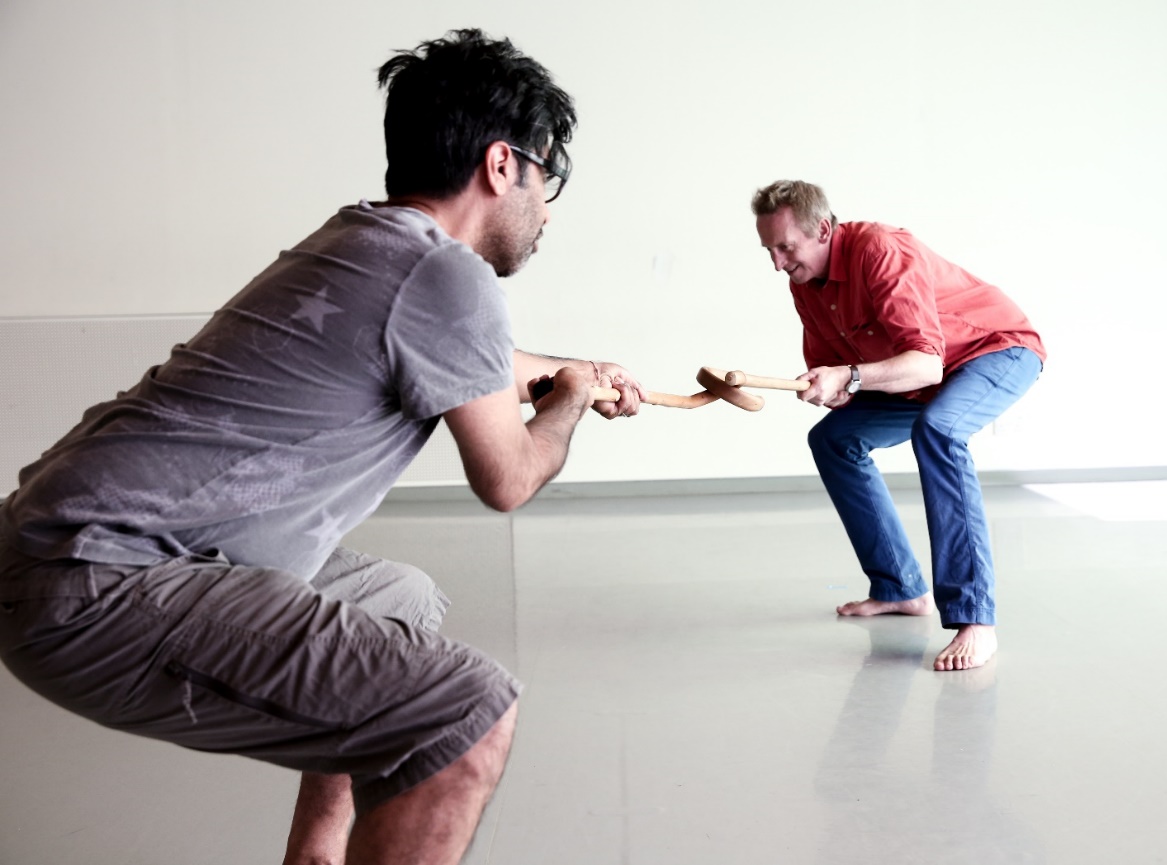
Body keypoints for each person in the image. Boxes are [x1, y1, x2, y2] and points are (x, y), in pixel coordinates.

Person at [0, 29, 644, 865]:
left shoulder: (365, 244)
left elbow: (482, 365)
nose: (546, 208)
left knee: (398, 598)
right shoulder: (451, 277)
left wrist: (576, 371)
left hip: (49, 550)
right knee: (466, 714)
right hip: (101, 581)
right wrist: (571, 405)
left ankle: (316, 855)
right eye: (545, 177)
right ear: (500, 165)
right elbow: (509, 477)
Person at [751, 180, 1045, 672]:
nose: (777, 264)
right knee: (833, 439)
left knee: (939, 431)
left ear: (821, 230)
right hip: (924, 380)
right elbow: (843, 378)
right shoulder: (804, 284)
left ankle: (976, 619)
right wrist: (831, 387)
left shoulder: (880, 250)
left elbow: (925, 364)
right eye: (769, 251)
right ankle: (900, 587)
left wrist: (849, 377)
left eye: (786, 247)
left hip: (995, 351)